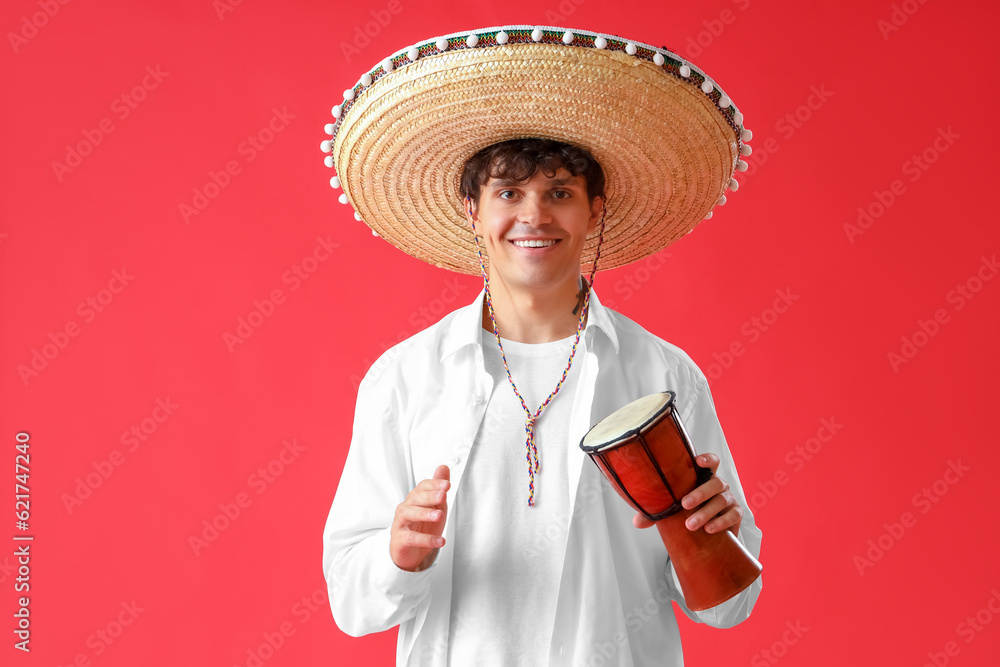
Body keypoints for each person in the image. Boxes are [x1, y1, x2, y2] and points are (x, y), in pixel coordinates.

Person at [321, 26, 761, 667]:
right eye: (508, 193)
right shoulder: (405, 377)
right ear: (472, 209)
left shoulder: (663, 374)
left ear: (595, 211)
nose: (534, 216)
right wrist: (397, 554)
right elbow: (350, 602)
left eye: (560, 193)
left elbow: (727, 607)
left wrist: (709, 533)